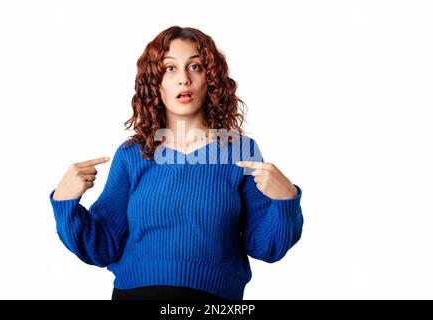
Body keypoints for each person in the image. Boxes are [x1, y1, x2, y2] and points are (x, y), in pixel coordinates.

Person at [49, 26, 304, 301]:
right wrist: (65, 204)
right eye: (170, 69)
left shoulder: (240, 152)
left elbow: (266, 248)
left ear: (211, 79)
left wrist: (286, 201)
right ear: (156, 83)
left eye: (195, 66)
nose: (183, 79)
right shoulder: (133, 154)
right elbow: (104, 247)